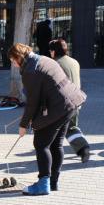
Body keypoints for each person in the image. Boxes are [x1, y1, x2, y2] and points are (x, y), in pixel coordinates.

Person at [9, 43, 86, 195]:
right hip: (71, 104)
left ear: (18, 57)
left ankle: (43, 184)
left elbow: (32, 102)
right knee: (56, 144)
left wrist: (23, 125)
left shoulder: (30, 71)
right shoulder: (43, 59)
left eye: (12, 60)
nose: (13, 64)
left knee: (40, 144)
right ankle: (53, 183)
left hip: (59, 108)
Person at [49, 38, 90, 163]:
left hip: (65, 103)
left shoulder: (55, 64)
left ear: (53, 51)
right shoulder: (74, 61)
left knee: (66, 128)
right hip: (77, 99)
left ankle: (83, 148)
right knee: (71, 126)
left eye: (50, 50)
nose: (50, 53)